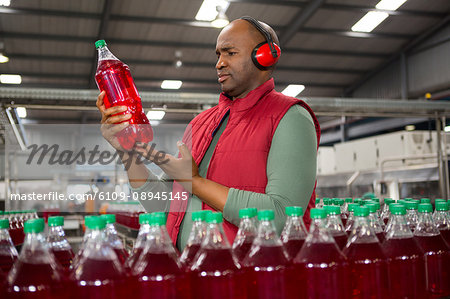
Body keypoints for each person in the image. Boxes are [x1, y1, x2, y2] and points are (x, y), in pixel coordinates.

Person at [96, 16, 320, 251]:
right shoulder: (201, 123)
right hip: (191, 272)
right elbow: (163, 205)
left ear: (264, 56)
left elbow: (281, 217)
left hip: (249, 278)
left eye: (230, 53)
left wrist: (194, 182)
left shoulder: (290, 117)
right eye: (218, 55)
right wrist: (126, 151)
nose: (219, 63)